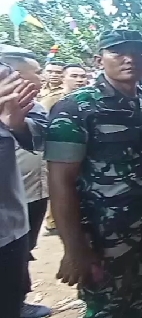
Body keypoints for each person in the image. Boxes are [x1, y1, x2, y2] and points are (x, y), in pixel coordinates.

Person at [44, 29, 142, 318]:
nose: (129, 59)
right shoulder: (76, 108)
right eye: (118, 52)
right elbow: (60, 181)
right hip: (101, 235)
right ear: (98, 60)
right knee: (104, 309)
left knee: (137, 302)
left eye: (137, 53)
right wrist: (74, 247)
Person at [0, 48, 51, 318]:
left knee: (13, 277)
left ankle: (18, 302)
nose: (41, 77)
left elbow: (41, 136)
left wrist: (14, 125)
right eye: (37, 72)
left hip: (12, 222)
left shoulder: (29, 106)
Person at [42, 63, 89, 237]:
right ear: (64, 78)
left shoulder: (88, 99)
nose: (79, 80)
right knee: (59, 185)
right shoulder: (53, 100)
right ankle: (55, 223)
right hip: (57, 152)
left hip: (79, 152)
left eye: (82, 76)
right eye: (74, 76)